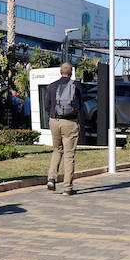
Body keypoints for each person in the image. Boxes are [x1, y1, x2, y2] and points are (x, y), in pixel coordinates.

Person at [44, 63, 83, 196]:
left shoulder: (52, 85)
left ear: (60, 72)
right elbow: (80, 105)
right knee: (69, 155)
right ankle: (68, 187)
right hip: (70, 123)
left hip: (54, 121)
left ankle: (51, 179)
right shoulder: (75, 85)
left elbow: (47, 106)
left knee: (57, 150)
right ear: (71, 72)